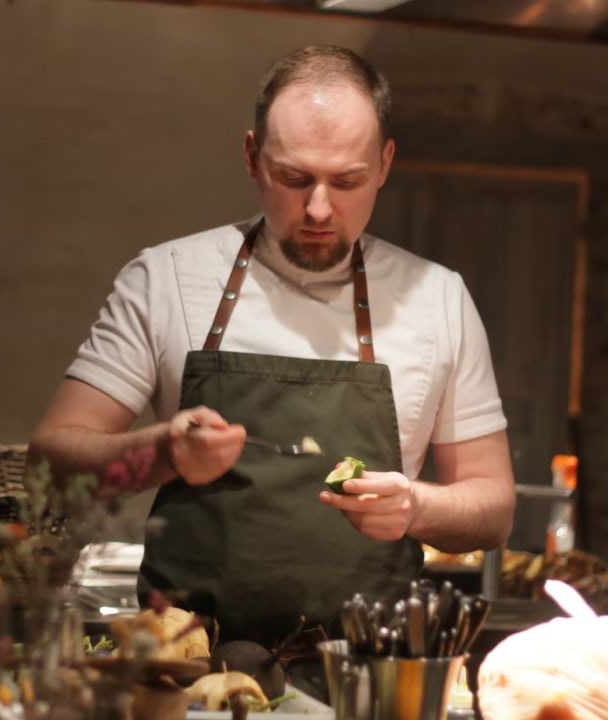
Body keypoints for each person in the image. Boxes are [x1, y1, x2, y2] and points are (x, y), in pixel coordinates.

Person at [29, 46, 515, 650]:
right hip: (186, 669)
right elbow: (49, 465)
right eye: (294, 178)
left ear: (385, 164)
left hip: (365, 672)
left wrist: (414, 506)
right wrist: (163, 451)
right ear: (252, 157)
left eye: (347, 181)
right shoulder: (166, 278)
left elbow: (494, 507)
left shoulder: (438, 298)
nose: (319, 209)